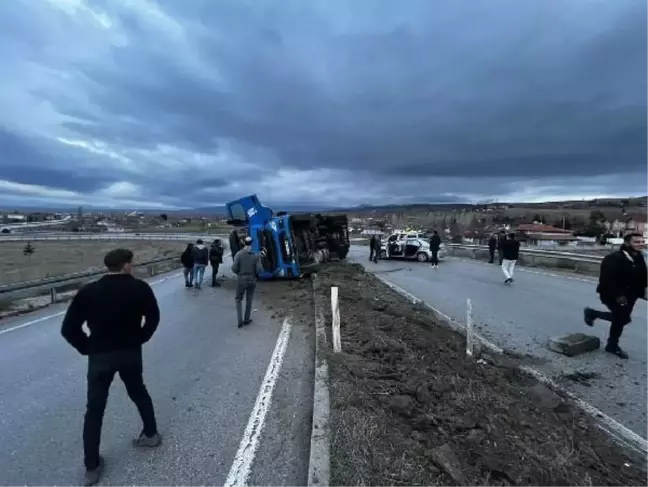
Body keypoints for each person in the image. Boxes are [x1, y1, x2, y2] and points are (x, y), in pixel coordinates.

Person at [60, 249, 162, 486]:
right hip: (130, 353)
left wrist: (87, 347)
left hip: (100, 357)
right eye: (131, 264)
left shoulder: (89, 291)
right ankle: (151, 434)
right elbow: (153, 318)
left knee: (94, 410)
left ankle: (92, 467)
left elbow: (68, 328)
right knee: (139, 393)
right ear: (126, 265)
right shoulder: (140, 288)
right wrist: (141, 337)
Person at [583, 233, 647, 359]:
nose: (641, 244)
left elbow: (643, 277)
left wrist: (643, 292)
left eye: (642, 241)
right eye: (637, 242)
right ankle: (612, 345)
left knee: (621, 319)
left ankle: (594, 316)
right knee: (622, 318)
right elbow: (607, 280)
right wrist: (618, 296)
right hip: (612, 294)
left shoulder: (638, 257)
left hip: (631, 295)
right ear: (628, 243)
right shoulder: (614, 258)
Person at [231, 236, 263, 328]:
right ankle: (246, 319)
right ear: (251, 244)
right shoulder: (256, 255)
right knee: (249, 299)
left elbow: (234, 268)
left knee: (238, 299)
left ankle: (239, 320)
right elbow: (259, 270)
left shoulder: (239, 254)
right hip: (252, 279)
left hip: (241, 279)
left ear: (243, 243)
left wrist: (239, 273)